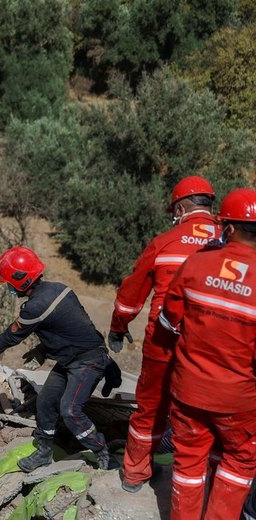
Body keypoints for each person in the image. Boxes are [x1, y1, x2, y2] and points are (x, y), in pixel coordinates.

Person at [111, 176, 220, 492]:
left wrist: (119, 327)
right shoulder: (234, 242)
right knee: (208, 415)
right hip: (215, 346)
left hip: (163, 341)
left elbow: (131, 293)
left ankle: (134, 476)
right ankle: (203, 483)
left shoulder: (165, 241)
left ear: (183, 206)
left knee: (150, 410)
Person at [159, 188, 256, 520]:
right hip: (239, 399)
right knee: (240, 462)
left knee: (188, 462)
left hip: (189, 391)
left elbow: (168, 321)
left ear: (227, 228)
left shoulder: (197, 263)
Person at [0, 246, 111, 473]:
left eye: (9, 282)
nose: (8, 287)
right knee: (46, 401)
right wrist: (43, 349)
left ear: (21, 281)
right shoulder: (59, 288)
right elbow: (68, 328)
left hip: (87, 361)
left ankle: (101, 450)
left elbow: (11, 336)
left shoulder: (34, 307)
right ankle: (44, 451)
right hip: (71, 358)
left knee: (70, 410)